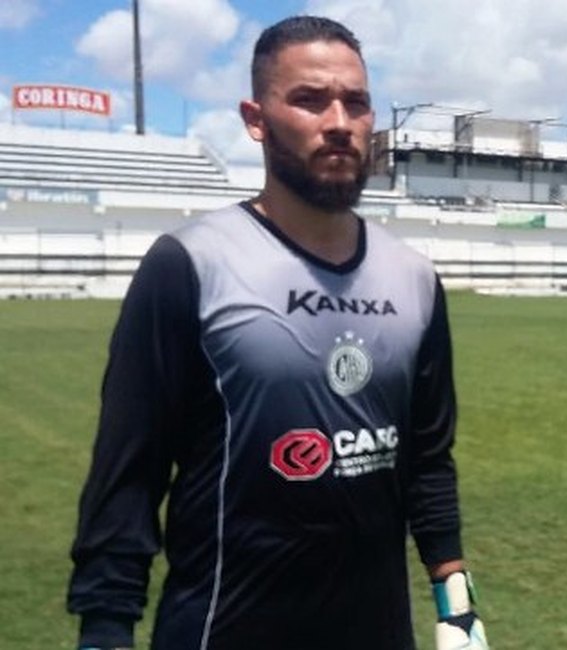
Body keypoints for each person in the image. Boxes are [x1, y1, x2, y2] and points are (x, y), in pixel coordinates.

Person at [67, 15, 488, 649]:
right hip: (224, 627)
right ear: (256, 118)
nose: (339, 121)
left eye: (357, 102)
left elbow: (426, 463)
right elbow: (128, 474)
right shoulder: (190, 265)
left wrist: (457, 608)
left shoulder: (414, 278)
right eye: (310, 100)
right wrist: (104, 632)